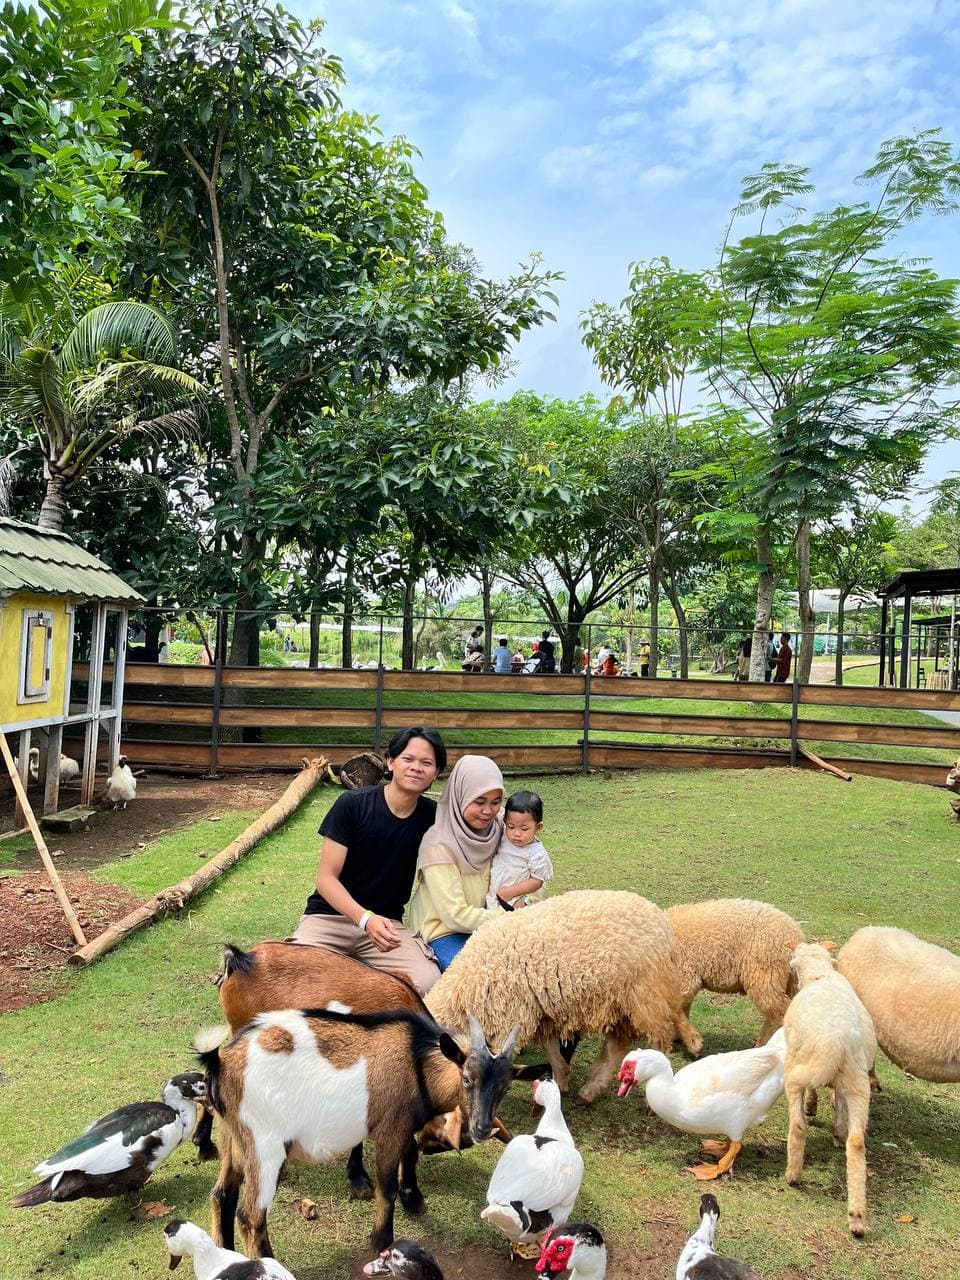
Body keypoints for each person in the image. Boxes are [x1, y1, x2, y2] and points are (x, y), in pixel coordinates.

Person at [291, 725, 445, 993]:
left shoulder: (434, 817)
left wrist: (501, 816)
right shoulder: (352, 804)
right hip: (329, 918)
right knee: (296, 979)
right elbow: (326, 879)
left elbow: (474, 819)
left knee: (427, 981)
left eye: (426, 763)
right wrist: (365, 919)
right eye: (408, 759)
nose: (416, 768)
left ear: (437, 772)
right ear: (391, 762)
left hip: (387, 925)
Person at [409, 755, 505, 972]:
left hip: (489, 927)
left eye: (496, 802)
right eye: (479, 802)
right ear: (460, 796)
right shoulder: (438, 846)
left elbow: (528, 859)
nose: (488, 811)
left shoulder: (500, 828)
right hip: (444, 932)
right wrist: (508, 917)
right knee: (479, 976)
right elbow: (455, 916)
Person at [486, 790, 553, 910]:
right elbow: (499, 812)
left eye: (524, 829)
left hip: (516, 898)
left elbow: (537, 880)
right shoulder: (505, 833)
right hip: (493, 893)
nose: (516, 833)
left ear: (538, 827)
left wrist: (512, 891)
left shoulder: (536, 853)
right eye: (511, 827)